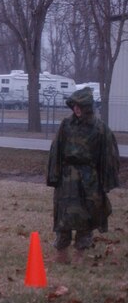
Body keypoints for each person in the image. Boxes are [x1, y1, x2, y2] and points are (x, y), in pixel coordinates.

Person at [46, 86, 120, 264]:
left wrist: (105, 182)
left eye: (79, 105)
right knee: (63, 216)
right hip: (67, 179)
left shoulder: (100, 129)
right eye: (74, 105)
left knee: (86, 216)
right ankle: (61, 254)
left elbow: (108, 157)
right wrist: (54, 176)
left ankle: (80, 254)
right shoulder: (66, 125)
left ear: (87, 106)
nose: (76, 109)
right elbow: (56, 150)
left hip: (89, 180)